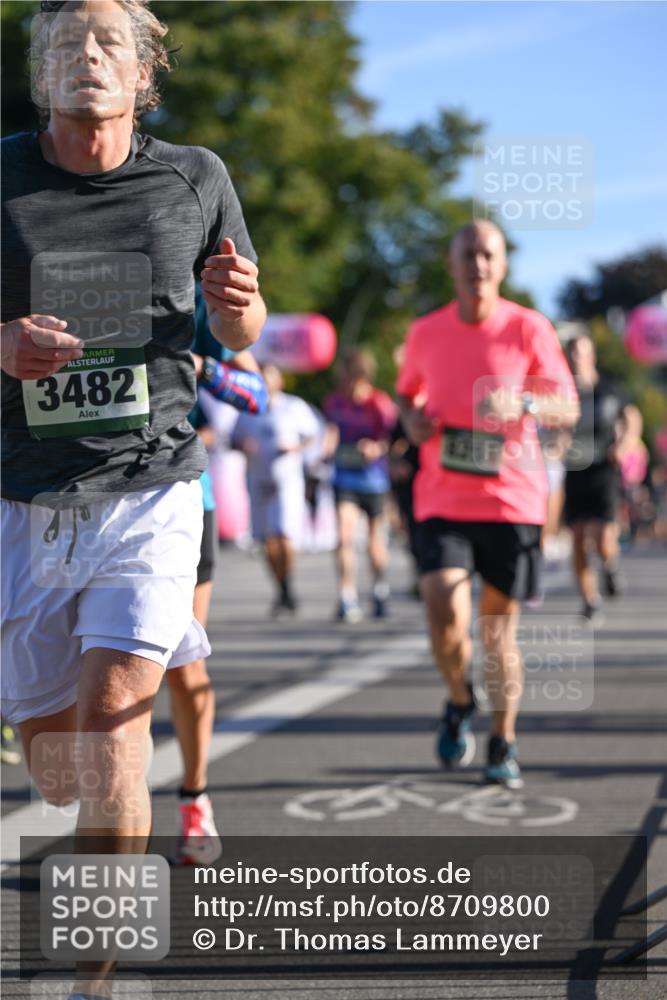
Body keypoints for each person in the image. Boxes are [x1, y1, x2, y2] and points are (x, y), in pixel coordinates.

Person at [0, 3, 265, 995]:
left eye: (109, 41)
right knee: (56, 764)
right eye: (64, 44)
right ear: (39, 74)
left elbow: (240, 327)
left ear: (145, 71)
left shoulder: (195, 176)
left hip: (152, 486)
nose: (87, 56)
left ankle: (95, 977)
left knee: (115, 722)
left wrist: (241, 314)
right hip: (23, 495)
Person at [396, 220, 578, 788]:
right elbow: (406, 394)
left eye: (488, 255)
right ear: (451, 264)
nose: (478, 264)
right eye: (468, 254)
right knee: (442, 607)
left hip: (510, 501)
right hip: (443, 497)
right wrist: (411, 420)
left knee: (497, 632)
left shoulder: (528, 327)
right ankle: (459, 698)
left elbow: (567, 406)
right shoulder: (425, 332)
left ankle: (503, 738)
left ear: (502, 265)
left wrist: (524, 402)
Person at [165, 286, 267, 865]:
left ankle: (194, 799)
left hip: (180, 499)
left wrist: (201, 365)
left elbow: (257, 394)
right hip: (71, 495)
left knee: (181, 664)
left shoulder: (192, 294)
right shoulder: (46, 265)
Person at [231, 365, 319, 616]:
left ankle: (288, 583)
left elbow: (313, 434)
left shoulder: (293, 406)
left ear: (279, 382)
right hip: (260, 481)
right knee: (269, 541)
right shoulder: (248, 408)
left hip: (287, 481)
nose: (266, 384)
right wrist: (242, 445)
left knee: (285, 536)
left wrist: (296, 448)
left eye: (270, 379)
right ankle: (282, 588)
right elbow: (233, 439)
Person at [563, 334, 633, 621]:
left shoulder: (609, 388)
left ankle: (609, 566)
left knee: (603, 534)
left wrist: (624, 444)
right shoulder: (563, 391)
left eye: (580, 353)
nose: (575, 359)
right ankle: (589, 600)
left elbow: (631, 418)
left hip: (604, 468)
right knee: (578, 538)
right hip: (574, 469)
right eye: (571, 353)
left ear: (591, 356)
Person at [324, 348, 397, 622]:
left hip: (374, 480)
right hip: (344, 478)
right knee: (344, 536)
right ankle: (347, 597)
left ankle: (379, 590)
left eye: (346, 376)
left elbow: (394, 439)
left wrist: (377, 448)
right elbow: (331, 431)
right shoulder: (335, 402)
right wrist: (326, 449)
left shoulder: (379, 403)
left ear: (360, 376)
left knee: (373, 541)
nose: (342, 381)